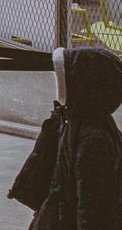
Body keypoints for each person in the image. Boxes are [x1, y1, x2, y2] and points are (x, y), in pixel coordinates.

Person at [11, 47, 122, 227]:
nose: (58, 85)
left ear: (85, 85)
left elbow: (93, 207)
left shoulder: (94, 137)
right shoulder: (76, 121)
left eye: (62, 79)